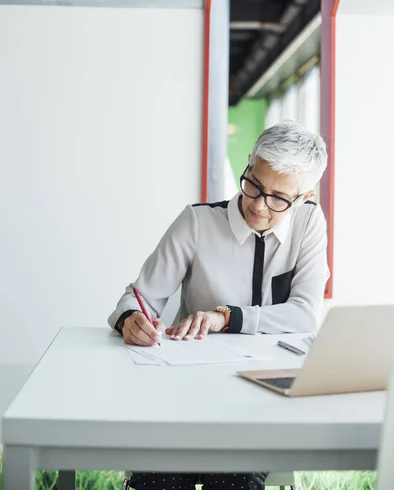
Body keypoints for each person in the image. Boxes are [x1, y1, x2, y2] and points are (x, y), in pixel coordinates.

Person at [109, 120, 329, 490]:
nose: (258, 205)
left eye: (278, 198)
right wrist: (130, 318)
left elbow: (305, 313)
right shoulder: (196, 222)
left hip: (263, 405)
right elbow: (139, 297)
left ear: (304, 197)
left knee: (232, 479)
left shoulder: (309, 224)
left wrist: (225, 317)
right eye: (253, 185)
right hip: (184, 398)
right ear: (247, 163)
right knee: (158, 479)